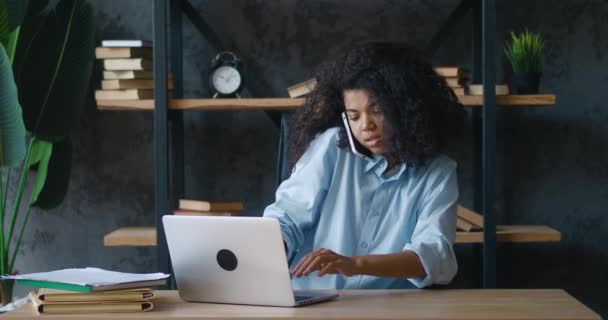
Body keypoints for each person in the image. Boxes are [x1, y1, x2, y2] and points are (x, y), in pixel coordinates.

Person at [263, 42, 464, 289]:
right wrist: (273, 246)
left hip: (388, 310)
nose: (365, 126)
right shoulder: (332, 148)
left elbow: (434, 254)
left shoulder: (438, 173)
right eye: (354, 116)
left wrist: (356, 264)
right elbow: (288, 215)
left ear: (406, 108)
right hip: (312, 303)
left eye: (377, 110)